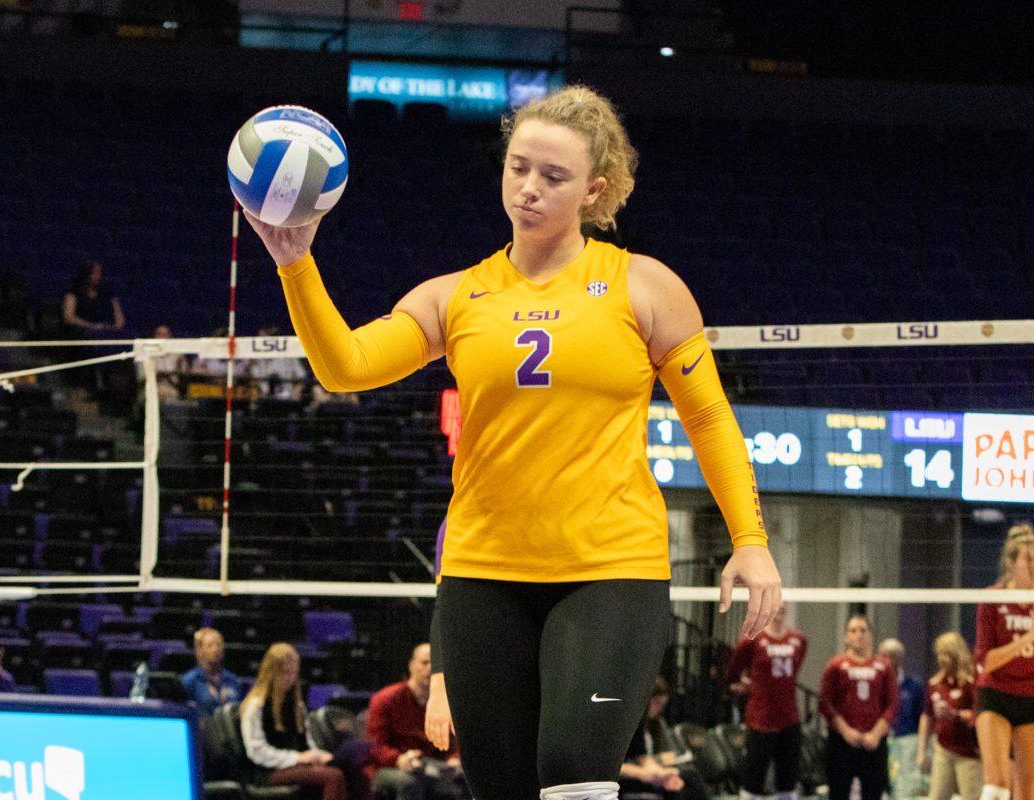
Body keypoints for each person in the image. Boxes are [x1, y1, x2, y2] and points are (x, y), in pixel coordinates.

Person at [243, 83, 782, 800]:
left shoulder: (644, 287)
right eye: (518, 167)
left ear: (595, 189)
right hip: (483, 573)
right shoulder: (457, 296)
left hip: (609, 567)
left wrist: (750, 539)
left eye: (553, 176)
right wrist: (294, 261)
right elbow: (344, 367)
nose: (529, 187)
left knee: (569, 769)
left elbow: (710, 418)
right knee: (501, 786)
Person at [239, 642, 346, 800]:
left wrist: (316, 755)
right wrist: (297, 758)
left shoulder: (297, 706)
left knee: (347, 768)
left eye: (293, 673)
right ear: (271, 672)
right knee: (332, 777)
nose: (290, 678)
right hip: (266, 771)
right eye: (285, 673)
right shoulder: (256, 706)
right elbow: (256, 751)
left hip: (296, 765)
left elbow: (306, 742)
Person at [975, 523, 1034, 800]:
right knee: (997, 785)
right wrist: (1024, 640)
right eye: (1029, 560)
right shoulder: (993, 598)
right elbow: (985, 661)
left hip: (1030, 696)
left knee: (1027, 790)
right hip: (996, 694)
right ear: (1011, 563)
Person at [727, 602, 807, 800]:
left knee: (788, 779)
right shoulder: (753, 639)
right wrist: (745, 683)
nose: (778, 614)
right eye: (774, 610)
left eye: (782, 611)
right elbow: (733, 672)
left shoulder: (798, 640)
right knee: (754, 777)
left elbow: (794, 671)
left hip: (788, 718)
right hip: (760, 720)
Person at [367, 643, 465, 800]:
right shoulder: (386, 699)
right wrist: (398, 759)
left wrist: (455, 759)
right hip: (390, 766)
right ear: (411, 666)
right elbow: (374, 746)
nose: (430, 668)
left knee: (464, 780)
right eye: (425, 662)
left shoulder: (444, 703)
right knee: (409, 783)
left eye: (434, 663)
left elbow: (454, 742)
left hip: (431, 765)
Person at [819, 614, 898, 800]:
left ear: (871, 635)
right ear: (846, 636)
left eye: (863, 630)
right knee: (838, 792)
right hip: (842, 742)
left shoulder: (884, 666)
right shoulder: (836, 665)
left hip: (874, 742)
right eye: (853, 631)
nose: (858, 635)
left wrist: (876, 734)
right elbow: (825, 702)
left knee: (873, 792)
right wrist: (845, 731)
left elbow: (893, 703)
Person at [917, 632, 981, 800]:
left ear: (956, 654)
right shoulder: (935, 683)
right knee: (937, 796)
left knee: (972, 796)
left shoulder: (971, 682)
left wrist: (955, 715)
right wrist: (922, 752)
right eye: (939, 654)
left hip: (969, 753)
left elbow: (978, 715)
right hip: (943, 749)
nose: (941, 659)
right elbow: (927, 716)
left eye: (946, 654)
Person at [878, 637, 924, 798]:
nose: (887, 660)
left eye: (892, 655)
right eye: (884, 655)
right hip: (880, 742)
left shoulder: (913, 685)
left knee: (904, 789)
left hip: (906, 744)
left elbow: (920, 717)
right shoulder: (875, 684)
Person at [181, 627, 244, 715]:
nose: (215, 649)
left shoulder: (232, 679)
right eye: (209, 645)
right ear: (199, 651)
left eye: (218, 645)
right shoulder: (189, 681)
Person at [61, 259, 126, 334]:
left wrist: (113, 328)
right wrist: (92, 326)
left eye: (99, 272)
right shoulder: (73, 294)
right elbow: (69, 317)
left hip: (105, 331)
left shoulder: (108, 293)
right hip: (82, 332)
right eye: (94, 272)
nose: (97, 276)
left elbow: (119, 318)